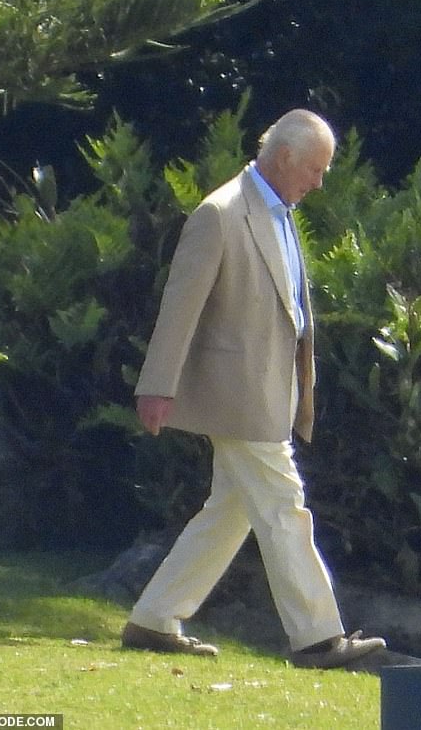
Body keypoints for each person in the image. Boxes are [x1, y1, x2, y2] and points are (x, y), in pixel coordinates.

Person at [122, 109, 386, 668]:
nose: (319, 182)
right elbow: (180, 307)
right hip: (238, 397)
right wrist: (157, 385)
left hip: (270, 392)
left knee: (230, 511)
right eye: (315, 169)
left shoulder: (279, 211)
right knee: (286, 507)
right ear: (285, 157)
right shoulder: (220, 213)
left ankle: (153, 618)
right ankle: (318, 638)